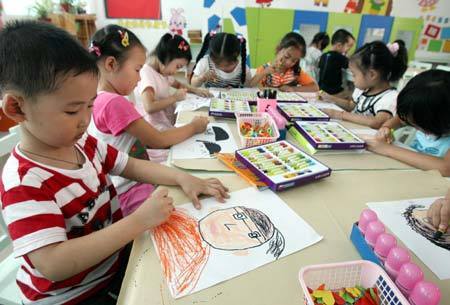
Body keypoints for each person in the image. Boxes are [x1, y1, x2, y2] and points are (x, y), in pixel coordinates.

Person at [0, 20, 228, 305]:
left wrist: (183, 178)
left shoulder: (83, 143)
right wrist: (139, 220)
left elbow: (132, 166)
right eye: (72, 111)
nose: (86, 120)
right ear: (17, 107)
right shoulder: (24, 180)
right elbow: (53, 263)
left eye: (90, 105)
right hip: (71, 297)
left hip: (111, 266)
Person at [88, 25, 210, 215]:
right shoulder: (112, 102)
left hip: (133, 180)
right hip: (131, 190)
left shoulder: (102, 97)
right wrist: (194, 126)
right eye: (137, 70)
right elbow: (157, 140)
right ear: (111, 65)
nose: (139, 79)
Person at [367, 70, 450, 176]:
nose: (416, 127)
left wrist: (387, 149)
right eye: (413, 124)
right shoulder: (424, 116)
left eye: (420, 126)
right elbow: (400, 120)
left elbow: (446, 168)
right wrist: (386, 127)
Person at [319, 40, 408, 128]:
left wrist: (340, 114)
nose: (353, 80)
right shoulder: (364, 89)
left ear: (372, 75)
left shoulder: (389, 97)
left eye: (354, 75)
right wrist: (330, 98)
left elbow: (377, 122)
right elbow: (351, 105)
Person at [250, 32, 319, 92]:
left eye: (294, 60)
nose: (289, 62)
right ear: (278, 49)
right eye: (286, 56)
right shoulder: (265, 68)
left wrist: (293, 89)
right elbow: (250, 85)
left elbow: (315, 87)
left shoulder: (295, 72)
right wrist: (265, 72)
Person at [318, 29, 355, 96]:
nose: (350, 49)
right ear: (339, 45)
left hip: (321, 89)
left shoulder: (324, 56)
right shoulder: (339, 57)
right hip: (334, 91)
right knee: (349, 94)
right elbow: (351, 65)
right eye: (349, 46)